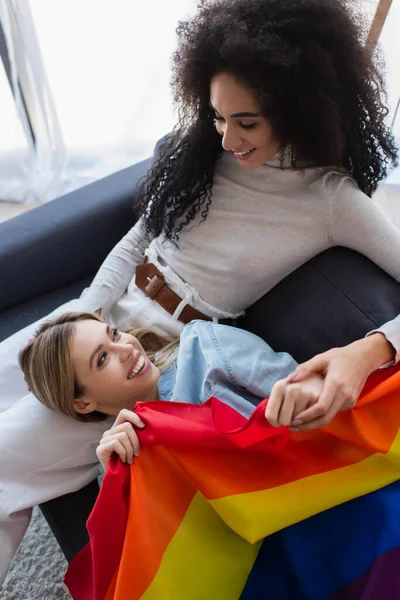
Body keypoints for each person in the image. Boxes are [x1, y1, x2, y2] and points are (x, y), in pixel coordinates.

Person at [0, 0, 399, 582]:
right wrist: (87, 306)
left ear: (293, 106)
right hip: (96, 319)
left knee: (6, 464)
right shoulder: (203, 153)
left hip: (147, 358)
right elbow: (142, 237)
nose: (228, 138)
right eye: (217, 117)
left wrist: (370, 350)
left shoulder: (333, 202)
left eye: (247, 122)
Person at [18, 311, 324, 473]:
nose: (125, 348)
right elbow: (146, 550)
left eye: (114, 334)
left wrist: (305, 392)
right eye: (102, 358)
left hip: (307, 475)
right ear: (83, 403)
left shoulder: (204, 349)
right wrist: (113, 474)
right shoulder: (124, 453)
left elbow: (309, 391)